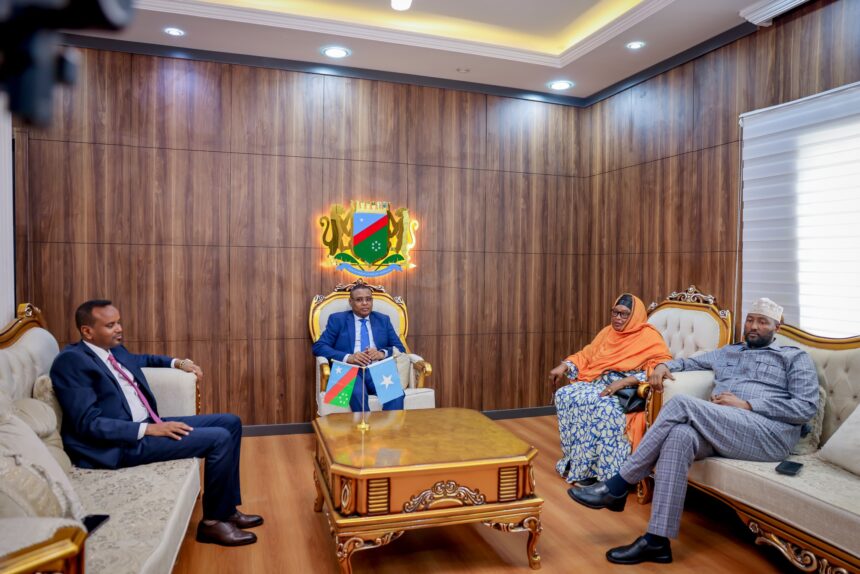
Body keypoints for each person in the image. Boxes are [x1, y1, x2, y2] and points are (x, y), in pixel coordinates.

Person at [568, 297, 819, 565]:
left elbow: (805, 408)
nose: (754, 326)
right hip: (727, 427)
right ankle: (656, 541)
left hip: (768, 435)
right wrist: (663, 366)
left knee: (681, 403)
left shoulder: (794, 357)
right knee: (680, 436)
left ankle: (619, 484)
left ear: (777, 327)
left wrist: (748, 404)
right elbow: (688, 364)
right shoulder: (729, 352)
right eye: (750, 320)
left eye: (762, 322)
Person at [50, 300, 263, 547]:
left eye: (118, 322)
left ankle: (227, 510)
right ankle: (212, 523)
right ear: (87, 331)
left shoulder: (112, 350)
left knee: (230, 422)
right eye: (110, 325)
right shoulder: (71, 362)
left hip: (149, 423)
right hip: (120, 444)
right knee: (218, 438)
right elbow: (88, 423)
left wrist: (177, 363)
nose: (119, 328)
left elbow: (143, 359)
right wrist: (149, 429)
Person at [549, 294, 672, 486]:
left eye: (624, 314)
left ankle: (607, 475)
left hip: (627, 391)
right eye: (615, 312)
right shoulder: (608, 332)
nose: (618, 318)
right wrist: (563, 366)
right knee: (565, 395)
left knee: (602, 408)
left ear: (635, 316)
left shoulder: (649, 337)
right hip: (600, 382)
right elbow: (587, 354)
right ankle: (579, 463)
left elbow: (660, 366)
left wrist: (621, 383)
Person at [312, 283, 406, 411]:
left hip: (378, 368)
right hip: (348, 368)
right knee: (357, 394)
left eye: (368, 299)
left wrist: (381, 353)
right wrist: (349, 357)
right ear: (351, 302)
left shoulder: (383, 320)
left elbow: (400, 348)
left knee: (396, 396)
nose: (365, 303)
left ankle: (390, 425)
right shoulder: (337, 319)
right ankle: (365, 425)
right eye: (359, 300)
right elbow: (319, 347)